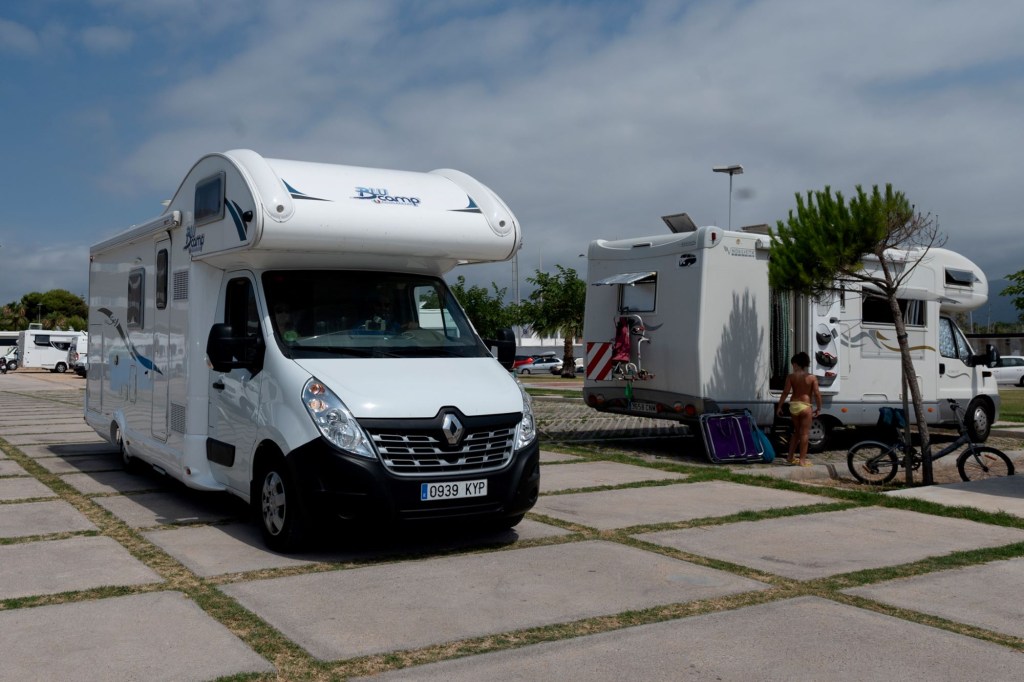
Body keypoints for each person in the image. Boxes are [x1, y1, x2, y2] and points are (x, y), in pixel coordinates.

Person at [775, 351, 822, 467]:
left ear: (796, 364)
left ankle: (790, 457)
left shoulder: (791, 376)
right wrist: (819, 408)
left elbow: (785, 392)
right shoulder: (812, 378)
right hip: (805, 406)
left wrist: (780, 406)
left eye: (793, 364)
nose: (793, 367)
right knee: (804, 434)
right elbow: (817, 394)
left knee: (796, 432)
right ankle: (802, 460)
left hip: (794, 406)